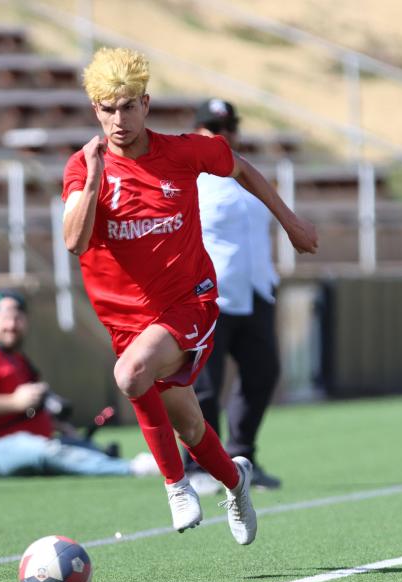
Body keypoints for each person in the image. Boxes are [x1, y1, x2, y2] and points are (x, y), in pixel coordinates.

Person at [61, 48, 318, 545]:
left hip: (189, 302)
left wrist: (290, 222)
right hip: (125, 321)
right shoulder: (82, 168)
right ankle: (236, 481)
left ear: (147, 104)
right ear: (95, 109)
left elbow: (240, 166)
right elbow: (74, 240)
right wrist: (94, 179)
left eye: (129, 106)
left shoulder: (181, 152)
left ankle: (176, 485)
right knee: (192, 426)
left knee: (130, 373)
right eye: (108, 108)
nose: (120, 119)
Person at [0, 291, 160, 479]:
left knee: (78, 447)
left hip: (26, 441)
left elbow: (27, 410)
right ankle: (131, 469)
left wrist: (60, 426)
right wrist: (15, 402)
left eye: (18, 318)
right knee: (44, 450)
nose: (11, 325)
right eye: (5, 318)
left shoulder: (18, 360)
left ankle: (115, 460)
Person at [184, 99, 284, 497]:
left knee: (262, 373)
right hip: (212, 296)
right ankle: (199, 465)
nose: (222, 135)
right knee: (204, 385)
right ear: (197, 133)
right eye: (211, 127)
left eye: (228, 128)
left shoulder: (247, 176)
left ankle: (242, 456)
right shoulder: (190, 181)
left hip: (256, 290)